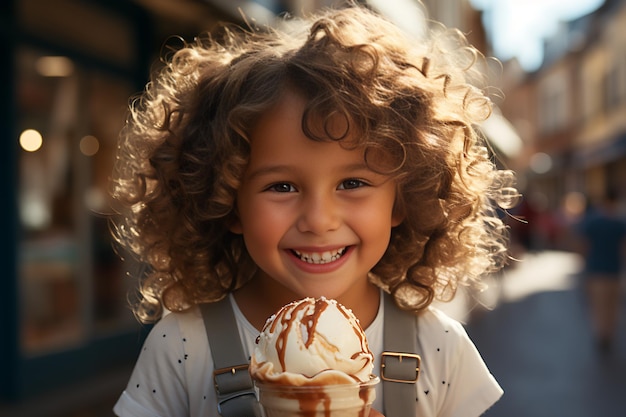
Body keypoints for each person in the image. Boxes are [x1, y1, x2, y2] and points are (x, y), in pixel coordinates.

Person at [109, 4, 519, 416]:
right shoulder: (182, 346)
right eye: (281, 186)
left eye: (353, 184)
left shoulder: (438, 348)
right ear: (227, 202)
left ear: (404, 198)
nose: (320, 220)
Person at [576, 191, 626, 354]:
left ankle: (601, 333)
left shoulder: (593, 222)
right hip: (613, 269)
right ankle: (608, 333)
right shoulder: (619, 223)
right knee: (612, 305)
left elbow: (584, 245)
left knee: (599, 305)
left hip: (596, 269)